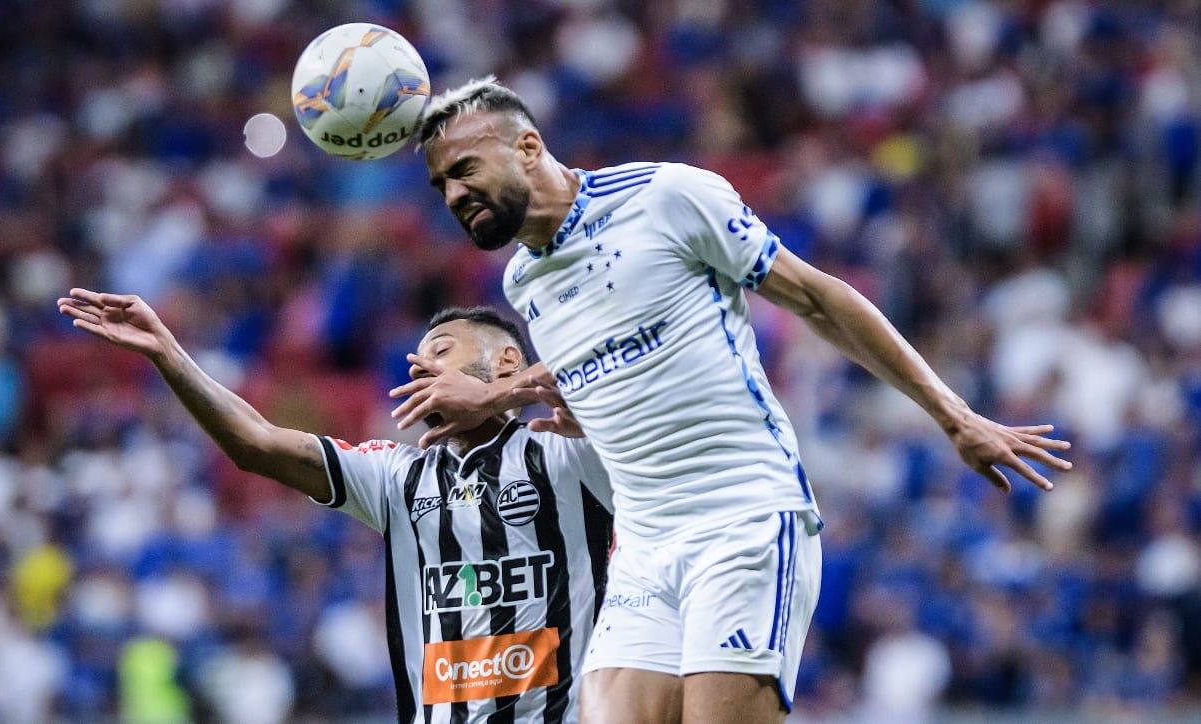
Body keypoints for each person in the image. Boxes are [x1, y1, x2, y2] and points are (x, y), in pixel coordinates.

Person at [388, 78, 1073, 724]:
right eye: (441, 184)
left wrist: (955, 416)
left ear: (528, 146)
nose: (454, 194)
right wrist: (564, 404)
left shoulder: (664, 198)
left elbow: (817, 298)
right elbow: (616, 356)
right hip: (644, 547)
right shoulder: (523, 280)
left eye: (465, 169)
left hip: (742, 521)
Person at [56, 289, 614, 724]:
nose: (421, 365)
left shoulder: (569, 452)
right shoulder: (398, 474)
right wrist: (167, 353)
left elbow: (638, 366)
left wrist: (500, 395)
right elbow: (256, 443)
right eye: (417, 359)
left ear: (508, 361)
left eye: (441, 351)